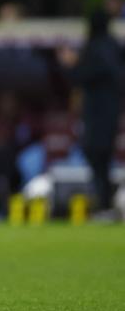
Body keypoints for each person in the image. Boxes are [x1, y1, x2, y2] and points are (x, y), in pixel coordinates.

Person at [57, 11, 123, 218]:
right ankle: (106, 204)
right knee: (104, 158)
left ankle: (105, 205)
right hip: (112, 112)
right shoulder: (115, 46)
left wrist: (69, 64)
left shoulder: (94, 48)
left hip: (96, 114)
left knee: (96, 157)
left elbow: (80, 77)